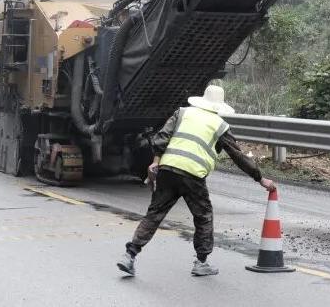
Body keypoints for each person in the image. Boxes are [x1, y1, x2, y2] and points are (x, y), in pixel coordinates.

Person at [117, 85, 276, 277]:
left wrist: (155, 162)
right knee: (203, 216)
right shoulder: (220, 125)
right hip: (192, 176)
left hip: (168, 169)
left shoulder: (182, 113)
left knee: (154, 213)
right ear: (219, 105)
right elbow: (238, 156)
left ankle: (130, 255)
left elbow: (162, 138)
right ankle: (201, 262)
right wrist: (260, 178)